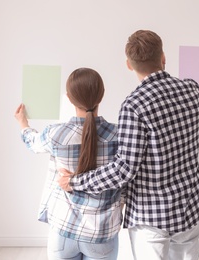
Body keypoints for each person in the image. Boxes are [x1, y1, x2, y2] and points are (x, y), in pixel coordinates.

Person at [58, 30, 199, 260]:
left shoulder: (134, 105)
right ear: (163, 57)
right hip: (189, 208)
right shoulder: (190, 89)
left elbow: (123, 169)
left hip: (151, 217)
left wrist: (76, 181)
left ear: (129, 65)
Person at [15, 68, 122, 260]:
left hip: (64, 231)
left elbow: (33, 143)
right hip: (101, 234)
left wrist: (23, 124)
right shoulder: (120, 135)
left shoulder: (56, 134)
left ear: (69, 98)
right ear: (102, 95)